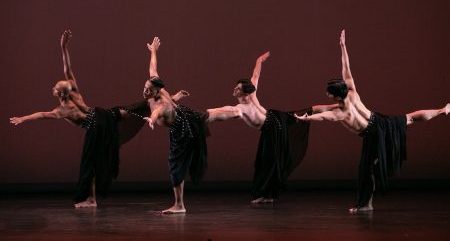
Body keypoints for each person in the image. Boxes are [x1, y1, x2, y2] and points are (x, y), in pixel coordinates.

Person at [10, 30, 187, 208]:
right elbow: (67, 70)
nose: (58, 85)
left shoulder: (62, 110)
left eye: (57, 86)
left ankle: (91, 200)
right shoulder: (74, 94)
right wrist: (63, 47)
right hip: (105, 115)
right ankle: (170, 101)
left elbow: (43, 113)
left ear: (58, 93)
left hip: (97, 124)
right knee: (139, 106)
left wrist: (23, 118)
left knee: (90, 162)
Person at [296, 30, 450, 212]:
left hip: (373, 135)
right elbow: (346, 67)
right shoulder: (352, 92)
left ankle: (366, 204)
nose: (326, 94)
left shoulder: (341, 113)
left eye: (328, 92)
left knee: (366, 170)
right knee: (410, 118)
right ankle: (443, 110)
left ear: (334, 96)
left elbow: (323, 116)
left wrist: (307, 118)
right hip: (380, 121)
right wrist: (343, 47)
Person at [207, 52, 319, 203]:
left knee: (267, 162)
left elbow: (224, 110)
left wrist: (206, 115)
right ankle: (267, 195)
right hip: (274, 118)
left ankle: (265, 195)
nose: (235, 89)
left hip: (272, 127)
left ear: (245, 93)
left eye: (238, 88)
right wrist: (259, 61)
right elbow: (256, 75)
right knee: (306, 112)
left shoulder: (242, 107)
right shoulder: (252, 95)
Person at [143, 37, 216, 214]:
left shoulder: (160, 104)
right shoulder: (158, 87)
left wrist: (151, 120)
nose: (145, 91)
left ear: (157, 92)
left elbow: (157, 113)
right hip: (186, 115)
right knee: (211, 115)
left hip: (182, 130)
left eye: (149, 90)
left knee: (175, 165)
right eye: (145, 87)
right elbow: (153, 68)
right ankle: (238, 111)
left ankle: (179, 205)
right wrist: (153, 51)